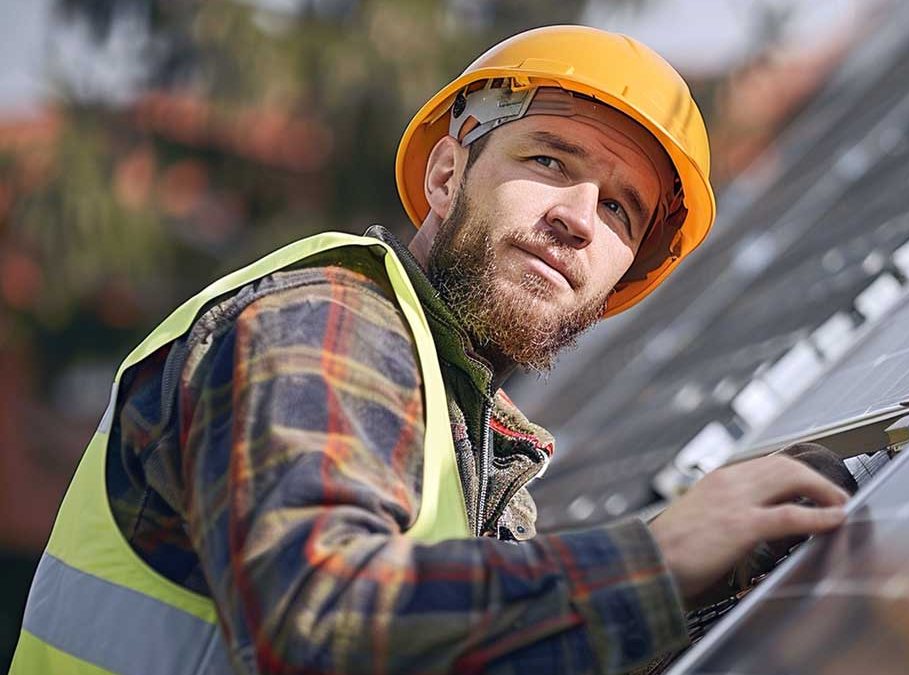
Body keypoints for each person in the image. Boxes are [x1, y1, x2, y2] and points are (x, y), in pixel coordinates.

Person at [12, 25, 849, 675]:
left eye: (622, 210)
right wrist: (660, 558)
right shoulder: (329, 320)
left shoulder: (473, 437)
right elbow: (318, 619)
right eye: (550, 160)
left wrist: (728, 578)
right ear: (448, 176)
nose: (579, 219)